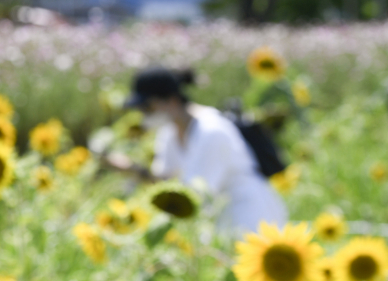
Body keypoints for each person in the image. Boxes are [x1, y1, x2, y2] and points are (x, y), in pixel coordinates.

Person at [110, 67, 288, 235]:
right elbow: (165, 182)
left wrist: (139, 173)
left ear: (171, 101)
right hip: (220, 218)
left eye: (147, 108)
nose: (143, 115)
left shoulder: (212, 131)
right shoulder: (169, 133)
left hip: (250, 215)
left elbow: (196, 196)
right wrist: (132, 171)